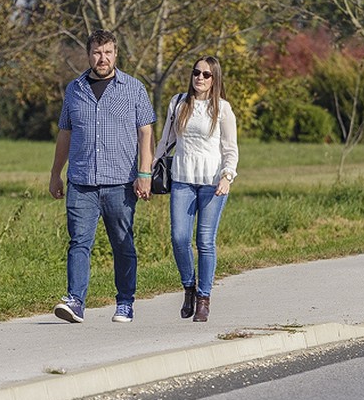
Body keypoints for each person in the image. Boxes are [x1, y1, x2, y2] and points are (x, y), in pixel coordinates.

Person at [49, 29, 155, 323]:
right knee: (79, 241)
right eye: (97, 52)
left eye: (107, 52)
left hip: (121, 183)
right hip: (81, 181)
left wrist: (144, 173)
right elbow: (65, 133)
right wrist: (56, 174)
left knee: (122, 242)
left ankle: (125, 302)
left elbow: (146, 132)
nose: (102, 58)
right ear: (89, 55)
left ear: (116, 54)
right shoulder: (75, 89)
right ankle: (75, 301)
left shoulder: (133, 88)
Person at [153, 55, 238, 322]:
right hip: (182, 180)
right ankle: (188, 287)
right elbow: (165, 141)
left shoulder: (223, 109)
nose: (200, 78)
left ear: (215, 80)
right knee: (179, 238)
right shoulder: (178, 104)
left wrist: (227, 176)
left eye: (206, 74)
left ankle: (203, 298)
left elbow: (230, 148)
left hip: (212, 183)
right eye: (196, 73)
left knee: (205, 241)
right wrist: (149, 170)